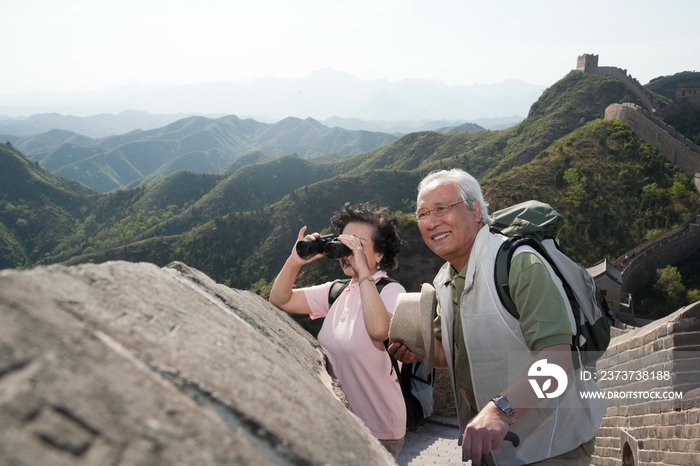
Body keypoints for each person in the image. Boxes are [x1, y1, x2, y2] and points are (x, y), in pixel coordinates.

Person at [389, 169, 605, 465]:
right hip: (494, 449)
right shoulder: (445, 279)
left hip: (551, 444)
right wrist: (421, 352)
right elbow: (455, 356)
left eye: (441, 209)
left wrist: (500, 409)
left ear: (475, 210)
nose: (430, 222)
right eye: (422, 214)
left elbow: (557, 360)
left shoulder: (519, 264)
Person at [269, 202, 407, 459]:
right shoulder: (337, 291)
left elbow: (379, 331)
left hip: (379, 428)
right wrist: (295, 261)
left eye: (358, 244)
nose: (348, 252)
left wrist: (362, 270)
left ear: (380, 254)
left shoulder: (391, 292)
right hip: (342, 423)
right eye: (346, 243)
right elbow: (280, 299)